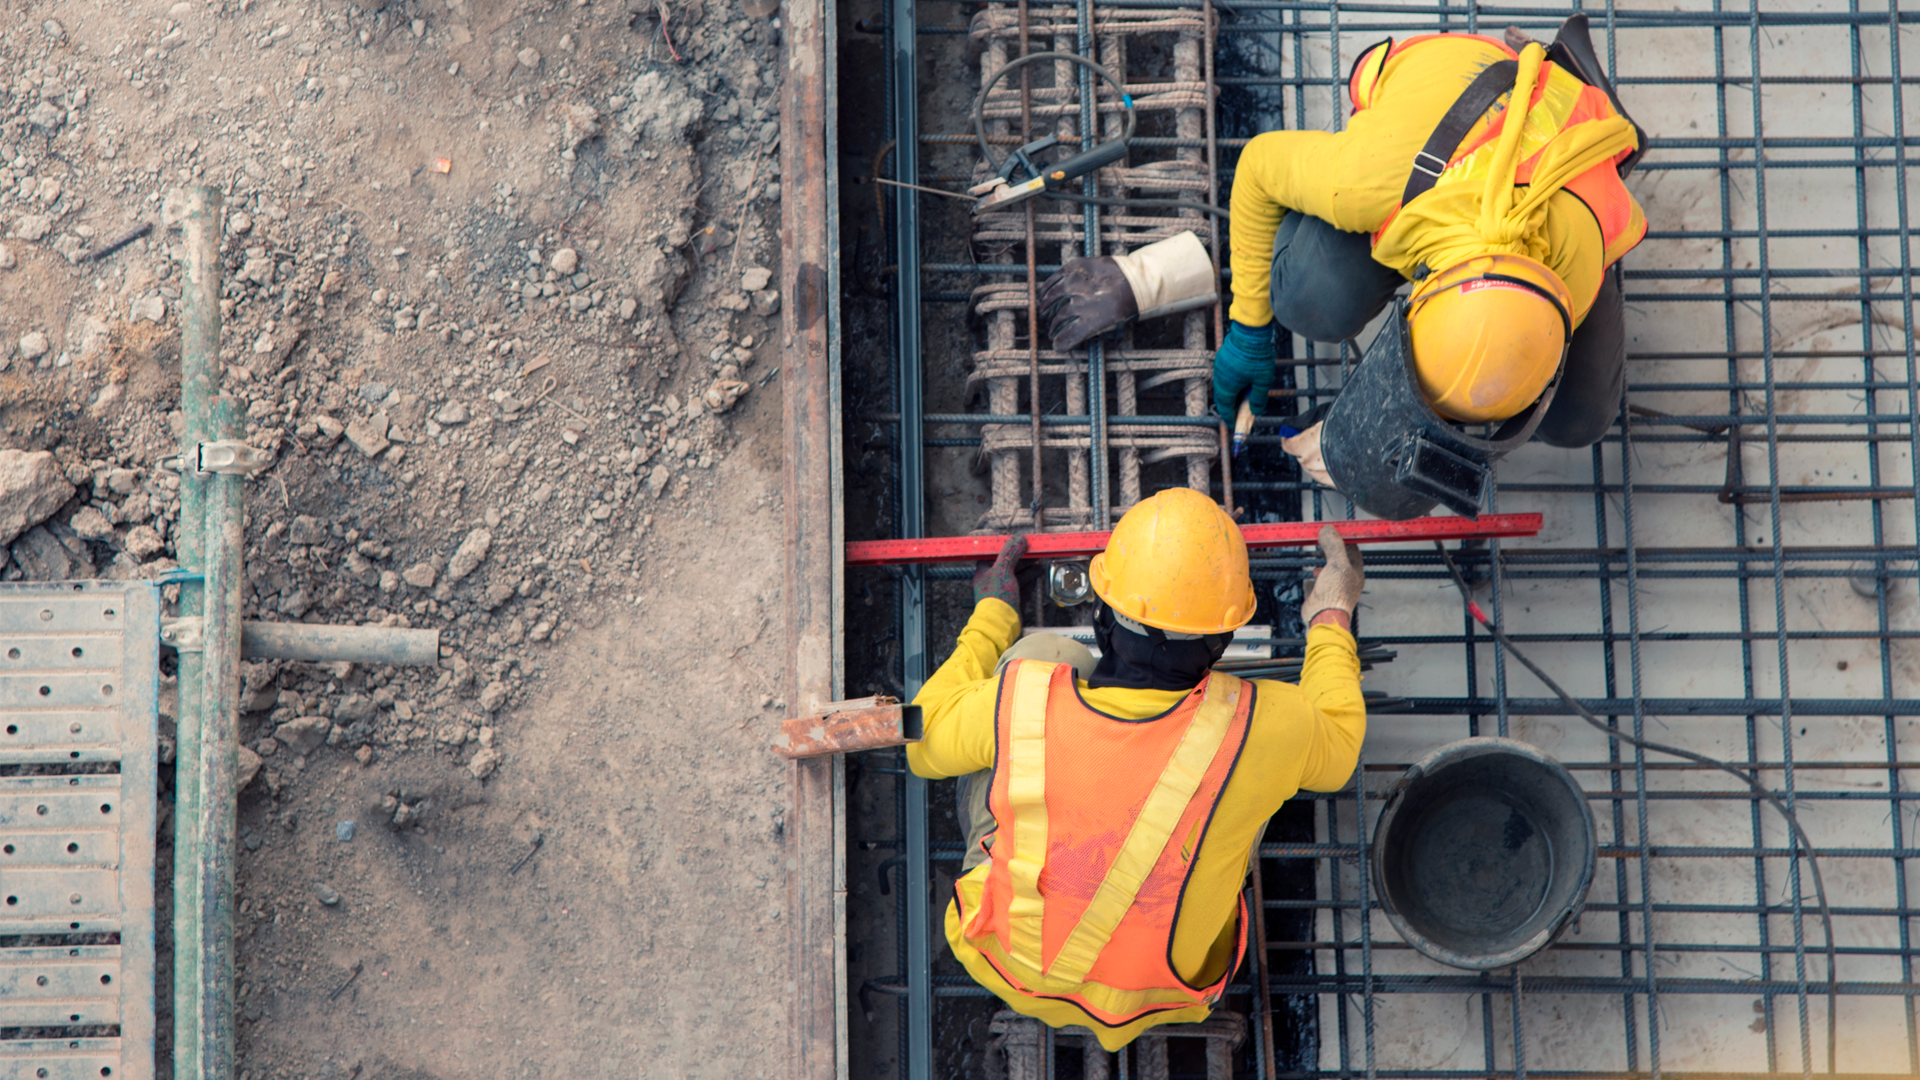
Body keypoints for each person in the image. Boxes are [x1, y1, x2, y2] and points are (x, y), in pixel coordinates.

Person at [907, 488, 1367, 1049]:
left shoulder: (1024, 700)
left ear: (1102, 618)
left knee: (1044, 659)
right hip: (1172, 992)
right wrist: (1331, 614)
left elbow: (921, 740)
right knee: (1248, 779)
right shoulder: (1265, 723)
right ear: (1223, 640)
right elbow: (1341, 745)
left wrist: (993, 613)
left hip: (1006, 960)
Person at [1210, 18, 1648, 501]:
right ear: (1422, 293)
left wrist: (1363, 429)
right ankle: (1558, 67)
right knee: (1306, 299)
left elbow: (1485, 373)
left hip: (1567, 159)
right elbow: (1255, 167)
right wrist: (1249, 327)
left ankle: (1582, 90)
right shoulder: (1368, 179)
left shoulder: (1578, 268)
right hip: (1449, 95)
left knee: (1577, 421)